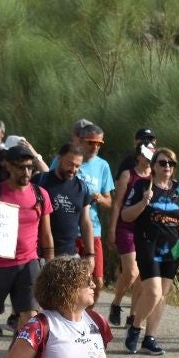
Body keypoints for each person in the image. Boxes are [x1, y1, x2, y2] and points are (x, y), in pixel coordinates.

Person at [0, 145, 55, 349]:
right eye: (21, 167)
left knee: (30, 314)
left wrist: (49, 264)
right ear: (8, 166)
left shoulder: (40, 195)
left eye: (30, 167)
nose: (27, 172)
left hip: (28, 262)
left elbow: (46, 233)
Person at [119, 147, 179, 355]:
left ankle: (149, 338)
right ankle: (135, 327)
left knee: (162, 295)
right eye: (162, 163)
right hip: (148, 244)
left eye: (171, 163)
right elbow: (126, 215)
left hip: (172, 247)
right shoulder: (142, 185)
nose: (167, 167)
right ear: (154, 166)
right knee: (153, 291)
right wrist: (144, 202)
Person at [106, 140, 154, 327]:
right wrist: (112, 229)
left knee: (142, 275)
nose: (148, 160)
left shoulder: (155, 176)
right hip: (125, 226)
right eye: (145, 156)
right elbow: (117, 203)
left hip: (145, 229)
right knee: (132, 271)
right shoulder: (128, 175)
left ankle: (133, 316)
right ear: (138, 156)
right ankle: (117, 302)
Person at [71, 123, 113, 301]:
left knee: (97, 281)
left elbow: (109, 201)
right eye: (91, 142)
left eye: (99, 144)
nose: (95, 147)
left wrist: (100, 199)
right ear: (80, 141)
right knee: (71, 281)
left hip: (93, 230)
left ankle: (87, 317)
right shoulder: (68, 159)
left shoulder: (103, 166)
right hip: (70, 230)